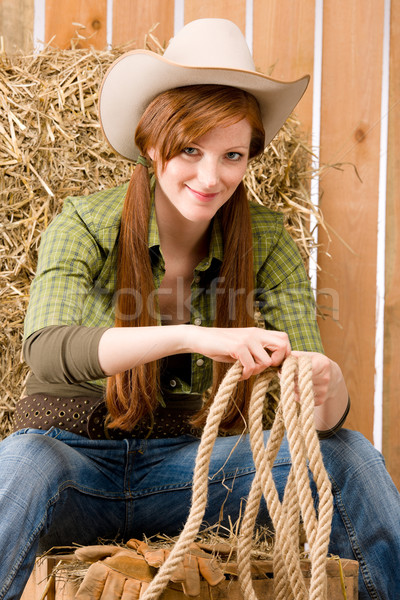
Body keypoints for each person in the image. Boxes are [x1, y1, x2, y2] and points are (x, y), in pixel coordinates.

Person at [0, 18, 398, 600]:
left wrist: (328, 384)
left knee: (351, 456)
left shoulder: (268, 243)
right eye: (191, 149)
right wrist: (194, 335)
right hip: (74, 465)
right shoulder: (85, 224)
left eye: (232, 155)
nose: (211, 177)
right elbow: (50, 350)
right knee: (21, 462)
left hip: (190, 473)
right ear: (152, 142)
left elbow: (311, 421)